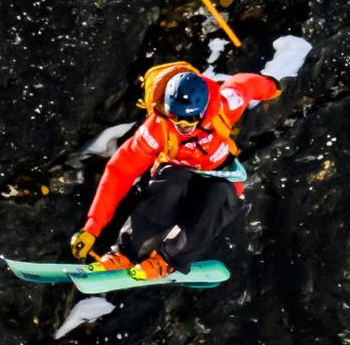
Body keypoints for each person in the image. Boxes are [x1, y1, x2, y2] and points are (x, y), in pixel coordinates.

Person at [70, 62, 282, 281]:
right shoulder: (157, 128)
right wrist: (92, 227)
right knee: (172, 184)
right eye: (175, 117)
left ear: (202, 110)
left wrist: (271, 86)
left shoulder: (224, 105)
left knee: (221, 196)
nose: (182, 125)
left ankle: (169, 260)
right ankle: (126, 254)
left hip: (217, 177)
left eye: (189, 119)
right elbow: (119, 171)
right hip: (177, 178)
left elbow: (245, 85)